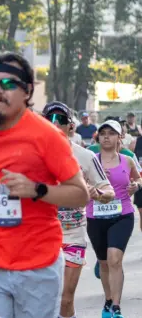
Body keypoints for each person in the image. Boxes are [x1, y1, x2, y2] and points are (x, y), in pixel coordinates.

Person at [0, 52, 89, 318]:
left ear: (27, 90)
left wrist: (37, 189)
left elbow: (80, 194)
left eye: (8, 84)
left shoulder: (48, 136)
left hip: (38, 265)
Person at [41, 102, 115, 318]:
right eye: (50, 119)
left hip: (72, 234)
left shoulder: (85, 156)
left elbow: (108, 191)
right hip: (39, 235)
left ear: (70, 126)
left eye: (61, 120)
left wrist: (96, 194)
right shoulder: (31, 155)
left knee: (65, 299)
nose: (55, 124)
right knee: (43, 299)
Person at [87, 120, 141, 318]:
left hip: (122, 215)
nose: (106, 137)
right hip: (96, 217)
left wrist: (136, 185)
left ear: (119, 137)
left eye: (111, 133)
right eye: (103, 133)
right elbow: (80, 181)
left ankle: (116, 307)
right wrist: (90, 188)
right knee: (103, 263)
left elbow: (138, 177)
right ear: (98, 137)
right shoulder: (91, 160)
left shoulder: (127, 160)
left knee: (114, 259)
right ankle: (108, 299)